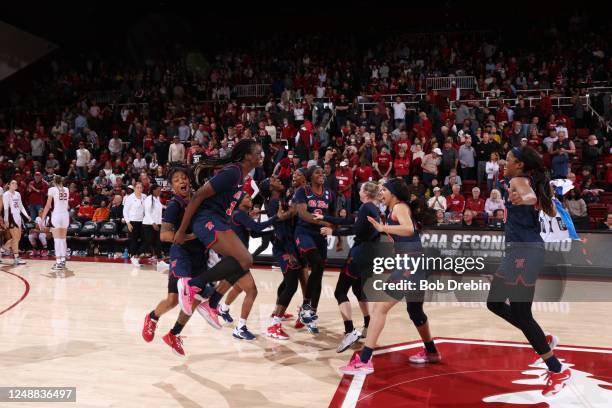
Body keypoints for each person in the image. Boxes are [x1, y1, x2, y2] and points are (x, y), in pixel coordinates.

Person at [486, 146, 571, 396]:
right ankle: (542, 339)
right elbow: (550, 210)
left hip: (524, 253)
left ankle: (557, 369)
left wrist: (526, 198)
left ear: (520, 165)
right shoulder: (532, 180)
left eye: (509, 159)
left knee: (522, 314)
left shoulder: (519, 180)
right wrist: (538, 198)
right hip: (518, 252)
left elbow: (530, 196)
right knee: (494, 303)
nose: (505, 162)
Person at [340, 178, 440, 375]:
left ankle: (365, 360)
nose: (381, 193)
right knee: (415, 312)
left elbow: (408, 228)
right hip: (414, 265)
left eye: (384, 189)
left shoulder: (399, 207)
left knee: (378, 309)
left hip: (410, 266)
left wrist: (383, 228)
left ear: (393, 193)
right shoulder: (394, 208)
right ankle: (432, 352)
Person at [173, 139, 261, 341]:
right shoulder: (232, 172)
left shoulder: (242, 176)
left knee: (244, 261)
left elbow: (224, 205)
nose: (261, 155)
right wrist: (182, 230)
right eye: (257, 152)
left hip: (218, 220)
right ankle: (194, 285)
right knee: (244, 260)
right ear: (247, 155)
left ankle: (212, 302)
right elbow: (198, 198)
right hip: (206, 220)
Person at [142, 167, 206, 357]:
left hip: (200, 256)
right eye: (177, 180)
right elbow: (165, 235)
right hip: (182, 255)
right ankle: (152, 317)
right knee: (173, 300)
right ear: (172, 186)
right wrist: (191, 236)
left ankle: (174, 334)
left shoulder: (197, 200)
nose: (182, 181)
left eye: (184, 178)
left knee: (195, 298)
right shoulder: (174, 205)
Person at [318, 181, 380, 352]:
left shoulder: (366, 207)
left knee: (340, 292)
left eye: (360, 189)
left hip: (359, 255)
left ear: (366, 193)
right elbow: (348, 220)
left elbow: (355, 230)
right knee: (358, 290)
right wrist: (325, 218)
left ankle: (350, 330)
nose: (358, 191)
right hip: (369, 255)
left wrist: (333, 232)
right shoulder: (374, 208)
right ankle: (368, 323)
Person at [218, 192, 279, 340]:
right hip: (235, 257)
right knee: (252, 291)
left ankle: (223, 309)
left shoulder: (241, 215)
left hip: (236, 256)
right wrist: (276, 218)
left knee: (239, 287)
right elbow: (257, 228)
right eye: (247, 198)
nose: (250, 199)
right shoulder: (239, 214)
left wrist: (271, 230)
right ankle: (240, 328)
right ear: (239, 201)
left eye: (250, 197)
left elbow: (254, 234)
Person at [294, 166, 335, 334]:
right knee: (316, 263)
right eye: (318, 173)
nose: (322, 175)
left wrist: (334, 232)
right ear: (310, 177)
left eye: (323, 172)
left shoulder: (329, 193)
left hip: (321, 235)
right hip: (304, 233)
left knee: (318, 274)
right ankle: (306, 306)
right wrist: (325, 223)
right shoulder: (302, 191)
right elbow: (303, 214)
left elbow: (331, 216)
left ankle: (310, 314)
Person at [41, 176, 70, 271]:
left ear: (54, 182)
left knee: (57, 240)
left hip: (57, 215)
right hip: (65, 215)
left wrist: (42, 218)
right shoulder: (66, 189)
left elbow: (48, 205)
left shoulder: (52, 189)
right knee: (63, 239)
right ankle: (62, 260)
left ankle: (58, 263)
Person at [2, 180, 31, 265]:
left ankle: (2, 250)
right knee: (15, 238)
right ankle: (16, 258)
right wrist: (6, 220)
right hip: (11, 217)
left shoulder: (18, 194)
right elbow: (6, 209)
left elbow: (21, 206)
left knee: (17, 239)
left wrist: (26, 215)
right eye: (13, 183)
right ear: (8, 185)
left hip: (18, 217)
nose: (15, 184)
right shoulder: (6, 194)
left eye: (16, 183)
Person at [123, 182, 147, 267]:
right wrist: (128, 223)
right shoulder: (129, 198)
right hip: (132, 222)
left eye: (141, 187)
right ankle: (133, 257)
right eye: (138, 187)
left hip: (143, 222)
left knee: (146, 239)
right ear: (134, 188)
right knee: (134, 240)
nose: (139, 189)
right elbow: (125, 211)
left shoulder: (144, 197)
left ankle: (136, 255)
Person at [142, 185, 166, 269]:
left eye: (160, 190)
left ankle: (160, 261)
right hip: (148, 224)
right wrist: (153, 223)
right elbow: (147, 212)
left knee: (158, 242)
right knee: (148, 241)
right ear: (153, 191)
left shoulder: (157, 198)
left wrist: (165, 207)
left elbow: (159, 207)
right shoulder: (148, 199)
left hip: (157, 223)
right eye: (158, 190)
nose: (160, 191)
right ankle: (136, 256)